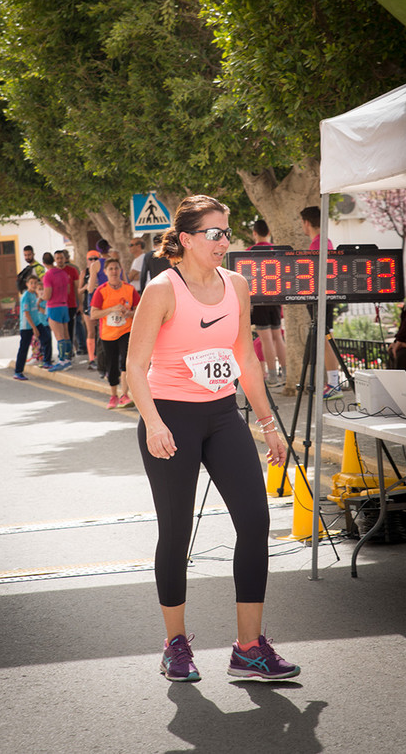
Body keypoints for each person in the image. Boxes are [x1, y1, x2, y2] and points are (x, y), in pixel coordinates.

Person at [126, 194, 300, 683]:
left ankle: (249, 647)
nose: (226, 241)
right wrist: (154, 423)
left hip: (223, 416)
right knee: (176, 534)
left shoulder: (237, 285)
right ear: (185, 239)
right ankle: (175, 645)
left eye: (228, 232)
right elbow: (135, 367)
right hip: (171, 420)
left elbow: (244, 357)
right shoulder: (162, 290)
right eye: (215, 233)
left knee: (255, 520)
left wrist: (267, 422)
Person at [300, 205, 342, 400]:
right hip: (322, 297)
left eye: (302, 222)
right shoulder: (324, 241)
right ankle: (333, 382)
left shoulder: (319, 244)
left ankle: (334, 383)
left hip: (321, 298)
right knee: (325, 339)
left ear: (307, 223)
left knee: (325, 339)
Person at [90, 257, 139, 409]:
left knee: (125, 362)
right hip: (108, 334)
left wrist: (129, 313)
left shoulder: (129, 289)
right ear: (105, 272)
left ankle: (124, 395)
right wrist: (111, 309)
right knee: (111, 365)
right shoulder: (101, 291)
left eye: (116, 268)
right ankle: (113, 396)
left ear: (121, 270)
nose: (114, 271)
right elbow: (93, 314)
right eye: (110, 269)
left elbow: (139, 308)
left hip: (126, 330)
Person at [248, 218, 286, 388]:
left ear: (254, 233)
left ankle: (272, 377)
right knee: (278, 336)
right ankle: (285, 374)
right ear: (269, 232)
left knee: (266, 339)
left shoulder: (249, 252)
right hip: (276, 299)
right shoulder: (277, 251)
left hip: (259, 300)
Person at [13, 275, 50, 380]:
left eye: (35, 283)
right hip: (27, 326)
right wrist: (34, 328)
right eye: (31, 283)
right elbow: (26, 313)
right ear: (27, 284)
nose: (33, 285)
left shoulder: (35, 295)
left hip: (37, 322)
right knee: (23, 348)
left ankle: (46, 361)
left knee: (47, 338)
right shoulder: (26, 296)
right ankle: (18, 371)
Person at [42, 251, 73, 371]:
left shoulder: (48, 275)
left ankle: (61, 361)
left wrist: (41, 297)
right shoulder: (64, 273)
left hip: (53, 307)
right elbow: (69, 290)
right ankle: (67, 359)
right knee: (66, 334)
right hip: (64, 305)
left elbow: (48, 295)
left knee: (59, 336)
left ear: (44, 263)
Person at [79, 250, 101, 369]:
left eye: (95, 259)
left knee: (101, 331)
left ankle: (101, 356)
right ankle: (91, 359)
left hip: (101, 304)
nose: (93, 261)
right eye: (90, 259)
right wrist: (88, 287)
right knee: (91, 331)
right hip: (88, 304)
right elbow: (79, 290)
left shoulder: (103, 270)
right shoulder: (84, 272)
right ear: (87, 260)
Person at [61, 249, 80, 359]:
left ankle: (70, 350)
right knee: (61, 330)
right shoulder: (54, 272)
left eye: (62, 257)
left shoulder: (73, 270)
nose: (60, 260)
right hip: (59, 305)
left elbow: (77, 287)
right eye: (57, 258)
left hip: (71, 304)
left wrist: (80, 303)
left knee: (70, 328)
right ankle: (64, 352)